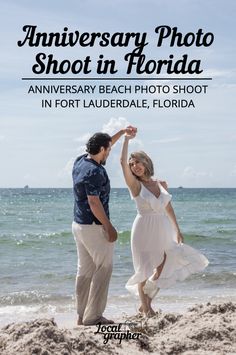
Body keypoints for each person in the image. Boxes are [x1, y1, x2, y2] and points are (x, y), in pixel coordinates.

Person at [120, 128, 209, 317]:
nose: (135, 166)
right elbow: (122, 162)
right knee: (143, 269)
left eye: (137, 162)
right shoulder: (135, 185)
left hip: (162, 228)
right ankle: (146, 309)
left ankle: (146, 302)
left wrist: (177, 229)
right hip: (143, 228)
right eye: (132, 164)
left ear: (146, 163)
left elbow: (168, 207)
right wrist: (126, 139)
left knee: (164, 265)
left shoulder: (161, 184)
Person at [72, 127, 134, 326]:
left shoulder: (81, 161)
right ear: (101, 149)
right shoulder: (95, 171)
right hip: (93, 226)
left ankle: (82, 315)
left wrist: (123, 132)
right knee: (104, 269)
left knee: (85, 271)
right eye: (108, 149)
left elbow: (106, 142)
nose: (109, 151)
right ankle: (94, 316)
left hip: (79, 225)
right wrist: (109, 226)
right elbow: (94, 202)